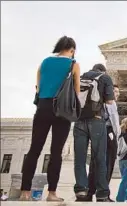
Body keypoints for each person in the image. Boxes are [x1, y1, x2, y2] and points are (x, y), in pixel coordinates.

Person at [19, 36, 80, 202]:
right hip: (62, 110)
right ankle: (52, 193)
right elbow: (76, 90)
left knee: (34, 149)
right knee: (56, 152)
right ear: (72, 49)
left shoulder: (44, 62)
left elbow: (38, 85)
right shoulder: (73, 64)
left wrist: (43, 91)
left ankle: (25, 191)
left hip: (43, 107)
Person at [73, 64, 115, 202]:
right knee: (99, 158)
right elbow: (109, 101)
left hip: (79, 121)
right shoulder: (105, 78)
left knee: (80, 157)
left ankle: (80, 189)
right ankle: (102, 193)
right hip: (96, 120)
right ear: (103, 70)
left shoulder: (80, 77)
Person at [85, 84, 121, 201]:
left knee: (94, 164)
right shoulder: (111, 103)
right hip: (108, 134)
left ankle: (89, 193)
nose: (117, 94)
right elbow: (114, 122)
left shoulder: (99, 101)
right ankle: (104, 194)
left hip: (97, 133)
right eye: (115, 91)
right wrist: (117, 135)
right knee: (108, 164)